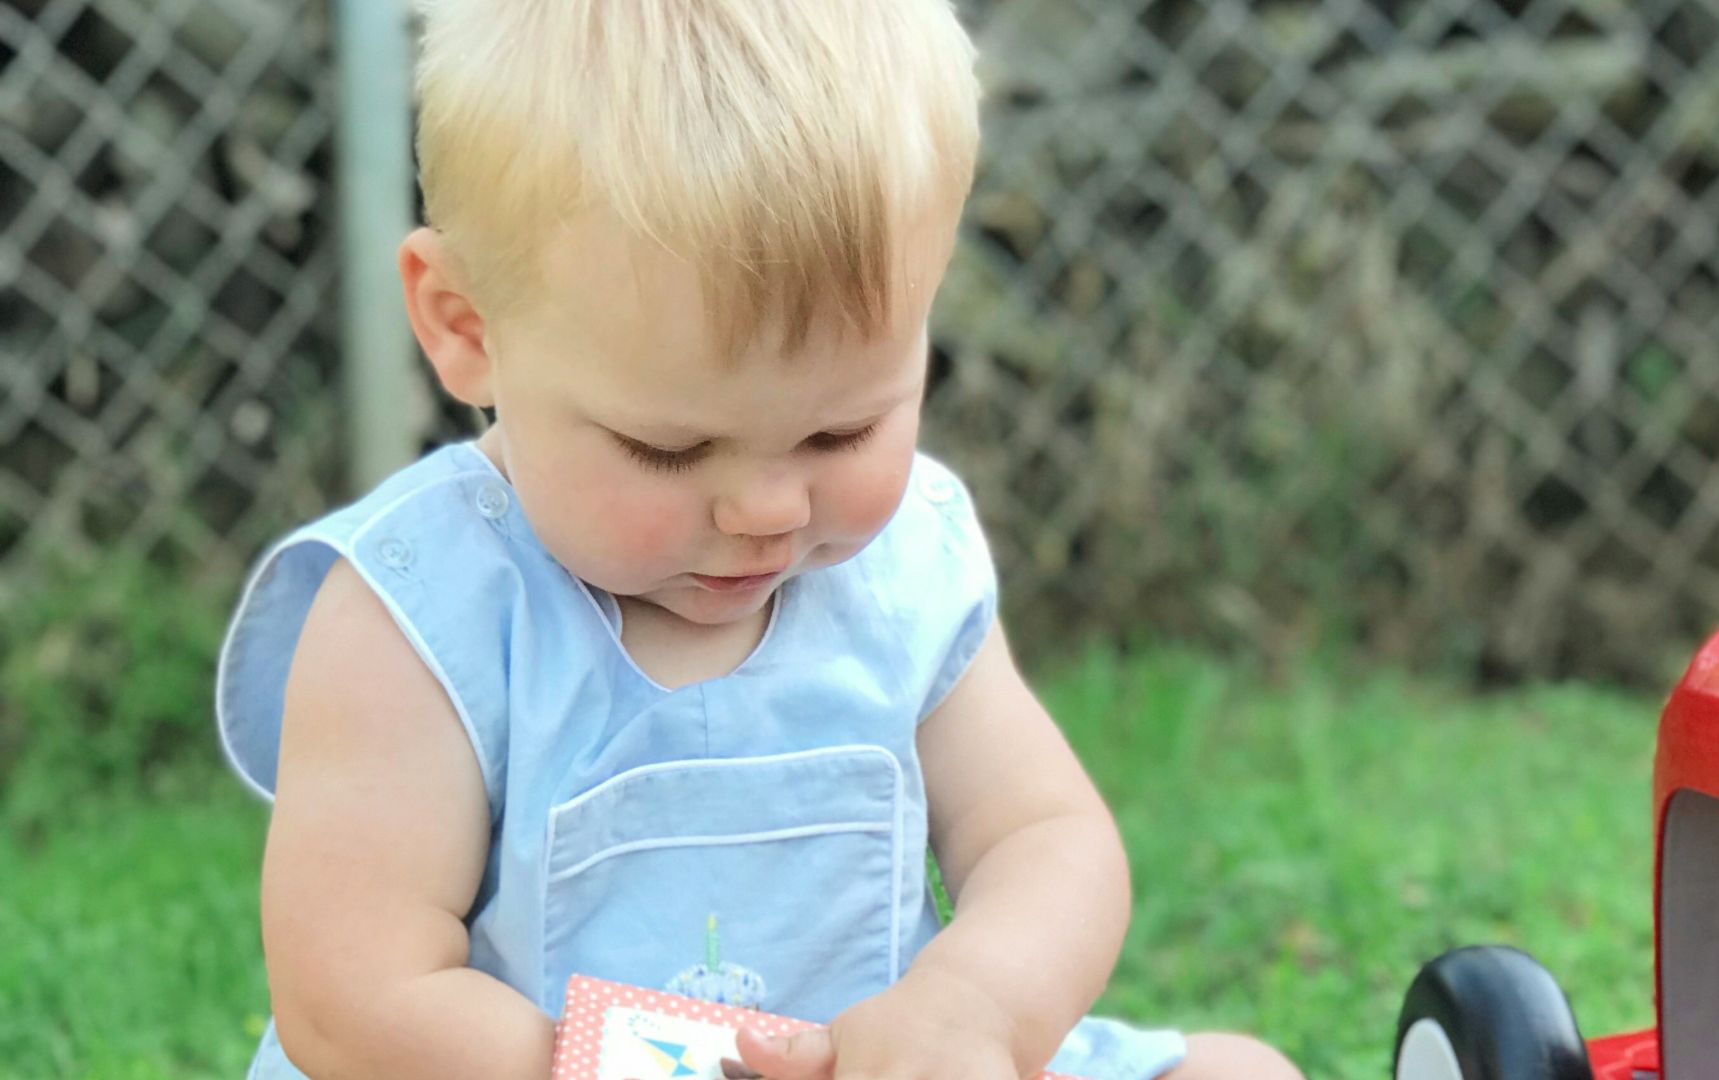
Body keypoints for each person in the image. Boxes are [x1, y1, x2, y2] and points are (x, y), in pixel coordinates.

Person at [217, 2, 1305, 1078]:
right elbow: (353, 997)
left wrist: (970, 1008)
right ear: (465, 329)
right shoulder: (424, 616)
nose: (769, 510)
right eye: (668, 448)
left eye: (842, 428)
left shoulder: (898, 574)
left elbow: (1044, 838)